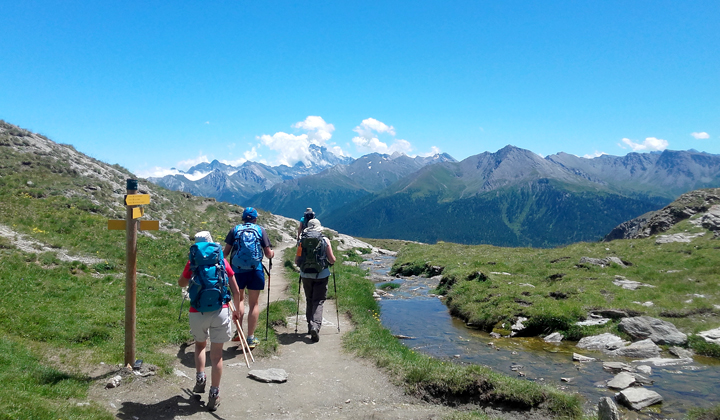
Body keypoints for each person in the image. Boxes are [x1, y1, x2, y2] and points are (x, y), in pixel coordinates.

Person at [178, 231, 241, 412]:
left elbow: (182, 283)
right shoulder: (221, 260)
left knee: (199, 345)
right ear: (212, 243)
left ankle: (200, 379)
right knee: (217, 355)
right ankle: (214, 393)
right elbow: (235, 290)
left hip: (197, 311)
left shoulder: (193, 262)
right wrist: (235, 311)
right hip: (221, 310)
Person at [224, 207, 274, 349]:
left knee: (239, 299)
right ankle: (250, 337)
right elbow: (268, 254)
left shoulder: (235, 230)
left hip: (237, 272)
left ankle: (238, 332)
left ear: (243, 218)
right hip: (255, 270)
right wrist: (273, 254)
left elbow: (225, 253)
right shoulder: (260, 230)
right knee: (254, 304)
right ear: (255, 219)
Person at [295, 218, 336, 342]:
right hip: (322, 274)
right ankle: (315, 326)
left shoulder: (302, 241)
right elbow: (332, 260)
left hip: (306, 275)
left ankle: (309, 326)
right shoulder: (324, 240)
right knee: (318, 301)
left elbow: (297, 261)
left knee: (309, 299)